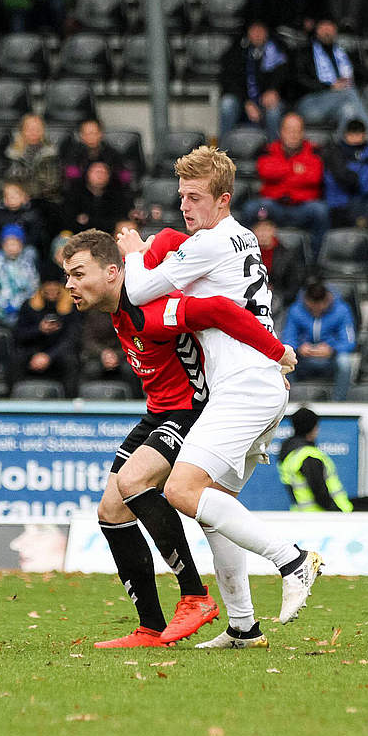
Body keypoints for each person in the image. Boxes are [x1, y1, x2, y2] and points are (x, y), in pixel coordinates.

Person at [118, 146, 325, 648]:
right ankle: (243, 627)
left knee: (182, 490)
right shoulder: (242, 238)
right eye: (182, 197)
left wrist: (131, 249)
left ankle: (292, 559)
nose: (186, 207)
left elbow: (141, 291)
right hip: (259, 381)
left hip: (245, 385)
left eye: (195, 198)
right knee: (216, 504)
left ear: (223, 199)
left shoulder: (212, 242)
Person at [63, 228, 296, 647]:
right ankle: (150, 628)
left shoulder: (149, 305)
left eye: (79, 274)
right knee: (111, 510)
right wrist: (148, 245)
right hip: (158, 412)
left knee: (135, 481)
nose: (69, 285)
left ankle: (194, 595)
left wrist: (274, 353)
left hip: (192, 409)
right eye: (68, 275)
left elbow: (221, 310)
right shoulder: (120, 309)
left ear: (113, 271)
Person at [241, 113, 331, 259]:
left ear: (303, 133)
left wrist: (281, 172)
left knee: (321, 211)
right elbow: (265, 171)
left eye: (297, 131)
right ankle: (244, 259)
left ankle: (315, 262)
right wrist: (294, 169)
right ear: (281, 132)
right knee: (251, 208)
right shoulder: (268, 149)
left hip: (303, 208)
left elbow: (314, 177)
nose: (293, 135)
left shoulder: (314, 151)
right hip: (272, 206)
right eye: (289, 130)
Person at [278, 407, 368, 512]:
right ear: (313, 428)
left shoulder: (291, 453)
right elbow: (321, 495)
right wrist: (337, 511)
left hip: (306, 511)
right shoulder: (309, 455)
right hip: (323, 513)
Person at [321, 119, 368, 257]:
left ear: (364, 135)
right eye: (352, 134)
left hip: (366, 198)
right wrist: (364, 180)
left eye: (358, 134)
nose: (355, 138)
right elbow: (348, 181)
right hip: (344, 201)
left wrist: (365, 181)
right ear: (345, 135)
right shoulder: (335, 153)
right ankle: (366, 220)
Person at [293, 17, 368, 137]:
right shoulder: (304, 52)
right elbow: (298, 80)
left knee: (348, 112)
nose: (326, 31)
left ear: (335, 30)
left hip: (340, 102)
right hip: (310, 104)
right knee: (348, 92)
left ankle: (340, 149)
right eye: (322, 27)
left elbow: (365, 74)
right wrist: (329, 86)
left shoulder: (344, 52)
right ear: (316, 30)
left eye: (330, 27)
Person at [280, 281, 356, 401]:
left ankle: (338, 401)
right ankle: (290, 400)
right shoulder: (295, 310)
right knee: (285, 360)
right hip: (303, 358)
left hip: (330, 358)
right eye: (313, 305)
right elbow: (287, 338)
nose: (317, 309)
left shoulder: (342, 310)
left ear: (328, 299)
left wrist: (332, 349)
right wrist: (299, 348)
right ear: (306, 300)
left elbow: (349, 342)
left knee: (345, 362)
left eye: (321, 305)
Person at [217, 20, 290, 142]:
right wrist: (247, 102)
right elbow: (228, 81)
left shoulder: (278, 51)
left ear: (267, 32)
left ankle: (274, 154)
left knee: (274, 111)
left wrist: (274, 90)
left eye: (261, 30)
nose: (257, 34)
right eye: (254, 30)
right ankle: (223, 153)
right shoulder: (236, 51)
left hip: (268, 102)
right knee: (227, 104)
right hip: (242, 103)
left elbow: (286, 79)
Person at [12, 278, 79, 394]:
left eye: (55, 285)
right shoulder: (29, 306)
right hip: (32, 352)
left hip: (57, 353)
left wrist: (49, 356)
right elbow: (19, 334)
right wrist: (39, 330)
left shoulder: (71, 307)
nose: (52, 289)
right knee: (16, 358)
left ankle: (69, 403)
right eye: (48, 285)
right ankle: (12, 401)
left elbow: (71, 338)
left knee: (70, 361)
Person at [0, 224, 38, 327]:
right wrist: (3, 304)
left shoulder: (27, 263)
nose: (11, 248)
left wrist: (21, 303)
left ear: (21, 245)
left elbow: (34, 285)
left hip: (24, 307)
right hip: (1, 309)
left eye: (15, 244)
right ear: (3, 245)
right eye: (8, 244)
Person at [5, 114, 62, 210]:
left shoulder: (51, 154)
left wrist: (32, 195)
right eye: (29, 129)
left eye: (37, 129)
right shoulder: (12, 154)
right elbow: (10, 179)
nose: (33, 132)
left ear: (43, 131)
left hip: (46, 201)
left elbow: (54, 182)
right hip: (18, 201)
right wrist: (20, 195)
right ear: (22, 130)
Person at [254, 217, 307, 316]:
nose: (262, 234)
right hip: (251, 297)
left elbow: (295, 283)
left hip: (280, 299)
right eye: (259, 230)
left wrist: (278, 294)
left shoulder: (288, 254)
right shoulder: (246, 254)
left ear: (274, 231)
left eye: (266, 229)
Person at [60, 119, 132, 192]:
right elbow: (70, 177)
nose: (91, 137)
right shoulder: (73, 154)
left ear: (100, 134)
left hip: (109, 192)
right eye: (87, 134)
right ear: (81, 136)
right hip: (80, 193)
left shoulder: (112, 153)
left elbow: (124, 176)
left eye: (94, 133)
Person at [64, 162, 132, 236]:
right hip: (78, 236)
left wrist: (89, 221)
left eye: (104, 172)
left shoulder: (116, 195)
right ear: (88, 174)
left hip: (109, 236)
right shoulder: (75, 194)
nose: (100, 175)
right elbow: (70, 220)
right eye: (97, 172)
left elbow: (119, 219)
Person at [0, 179, 47, 264]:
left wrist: (19, 244)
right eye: (7, 195)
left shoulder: (32, 213)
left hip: (24, 247)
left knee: (31, 253)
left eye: (15, 195)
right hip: (2, 247)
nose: (11, 198)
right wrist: (5, 244)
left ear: (24, 197)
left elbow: (35, 235)